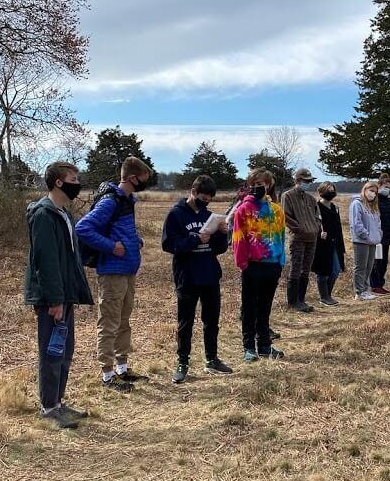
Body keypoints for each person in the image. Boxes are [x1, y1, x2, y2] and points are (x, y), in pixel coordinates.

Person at [24, 162, 95, 430]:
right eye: (73, 178)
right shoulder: (43, 214)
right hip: (52, 297)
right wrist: (54, 300)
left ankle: (58, 401)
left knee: (65, 349)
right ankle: (49, 407)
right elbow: (46, 260)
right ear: (58, 183)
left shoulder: (64, 213)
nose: (78, 182)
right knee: (52, 351)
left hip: (65, 294)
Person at [75, 156, 152, 392]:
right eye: (143, 180)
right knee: (109, 322)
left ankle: (122, 367)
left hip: (128, 270)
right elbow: (83, 228)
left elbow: (121, 229)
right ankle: (107, 374)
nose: (145, 184)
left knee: (123, 321)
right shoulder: (110, 201)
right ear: (132, 178)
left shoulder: (128, 201)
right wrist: (111, 246)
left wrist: (133, 240)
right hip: (112, 271)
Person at [162, 175, 234, 383]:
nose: (205, 202)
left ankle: (211, 359)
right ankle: (182, 362)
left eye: (209, 199)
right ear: (192, 192)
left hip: (210, 274)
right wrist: (194, 239)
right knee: (186, 322)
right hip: (187, 276)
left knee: (211, 321)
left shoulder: (209, 215)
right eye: (202, 197)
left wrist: (222, 234)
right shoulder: (176, 215)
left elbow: (218, 249)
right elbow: (169, 245)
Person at [232, 169, 287, 361]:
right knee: (249, 308)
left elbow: (281, 236)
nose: (262, 186)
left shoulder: (277, 209)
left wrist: (281, 259)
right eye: (257, 183)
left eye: (266, 183)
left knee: (265, 307)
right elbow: (238, 238)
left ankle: (265, 345)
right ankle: (248, 347)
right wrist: (242, 263)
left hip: (273, 264)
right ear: (250, 184)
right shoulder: (243, 209)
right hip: (252, 265)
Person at [280, 167, 322, 313]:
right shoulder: (288, 196)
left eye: (310, 181)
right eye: (306, 181)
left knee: (306, 269)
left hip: (312, 238)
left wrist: (316, 227)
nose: (308, 183)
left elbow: (317, 216)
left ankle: (301, 299)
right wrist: (300, 229)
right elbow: (286, 216)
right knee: (296, 269)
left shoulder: (311, 198)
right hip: (297, 238)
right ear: (297, 180)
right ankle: (293, 301)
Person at [312, 181, 346, 306]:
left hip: (335, 243)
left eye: (332, 190)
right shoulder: (316, 207)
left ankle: (328, 294)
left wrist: (341, 245)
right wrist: (318, 233)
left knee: (336, 269)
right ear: (321, 192)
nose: (331, 193)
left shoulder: (335, 208)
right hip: (321, 244)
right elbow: (313, 224)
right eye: (328, 190)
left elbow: (338, 227)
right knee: (322, 270)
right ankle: (324, 297)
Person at [349, 180, 382, 301]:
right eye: (371, 191)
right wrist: (365, 235)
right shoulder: (357, 204)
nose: (372, 194)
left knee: (369, 266)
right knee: (360, 266)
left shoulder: (373, 206)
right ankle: (359, 291)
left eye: (375, 192)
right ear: (365, 190)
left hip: (373, 240)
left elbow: (378, 223)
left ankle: (365, 289)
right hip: (361, 240)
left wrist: (378, 235)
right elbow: (356, 223)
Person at [369, 173, 390, 296]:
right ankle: (374, 284)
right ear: (379, 185)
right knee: (376, 261)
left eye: (389, 187)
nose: (387, 189)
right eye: (385, 186)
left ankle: (380, 283)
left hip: (387, 236)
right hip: (376, 236)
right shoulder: (373, 201)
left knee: (384, 261)